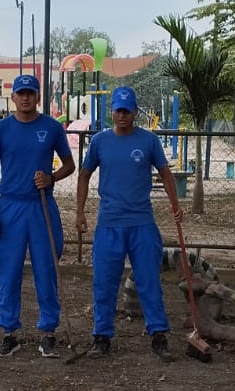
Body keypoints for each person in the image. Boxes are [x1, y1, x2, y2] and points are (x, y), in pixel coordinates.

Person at [74, 85, 185, 362]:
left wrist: (175, 205)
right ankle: (102, 337)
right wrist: (80, 211)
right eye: (118, 110)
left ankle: (158, 335)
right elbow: (84, 175)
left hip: (142, 223)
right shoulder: (100, 141)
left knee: (149, 281)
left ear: (135, 112)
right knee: (104, 283)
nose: (122, 115)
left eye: (127, 111)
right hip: (109, 224)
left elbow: (166, 174)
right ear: (112, 112)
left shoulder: (149, 141)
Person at [0, 72, 76, 357]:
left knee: (46, 269)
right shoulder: (0, 130)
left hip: (41, 205)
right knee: (9, 271)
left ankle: (48, 331)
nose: (25, 98)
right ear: (13, 97)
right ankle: (9, 332)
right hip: (10, 206)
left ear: (38, 97)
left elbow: (70, 165)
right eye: (20, 93)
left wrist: (51, 177)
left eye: (30, 93)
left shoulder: (51, 127)